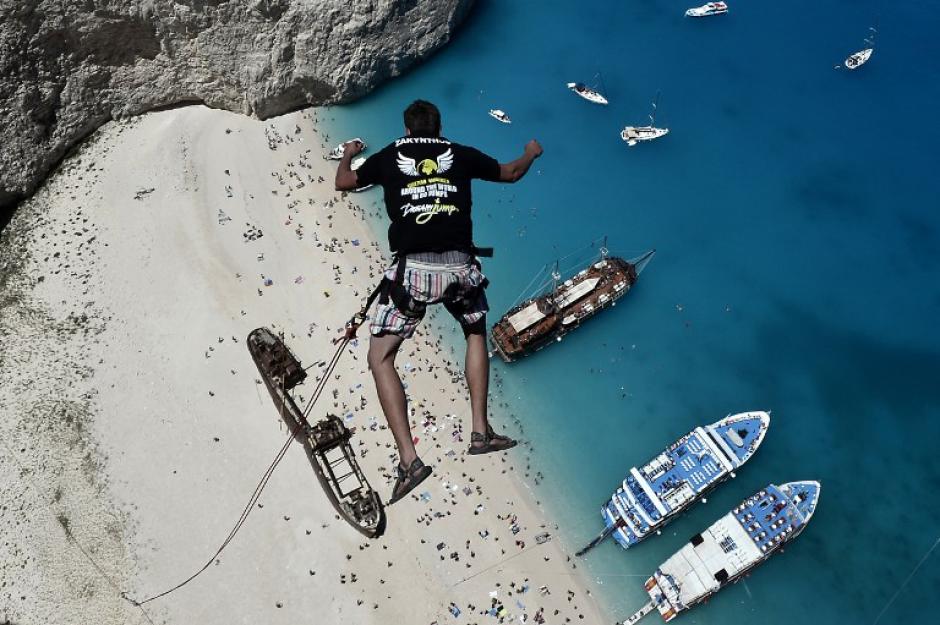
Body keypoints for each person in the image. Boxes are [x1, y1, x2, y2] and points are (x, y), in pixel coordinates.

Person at [335, 99, 543, 503]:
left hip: (414, 272)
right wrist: (530, 152)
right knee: (475, 331)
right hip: (460, 267)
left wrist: (348, 153)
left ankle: (410, 460)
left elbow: (344, 182)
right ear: (439, 127)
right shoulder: (458, 153)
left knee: (380, 358)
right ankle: (480, 431)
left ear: (407, 129)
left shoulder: (389, 156)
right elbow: (512, 173)